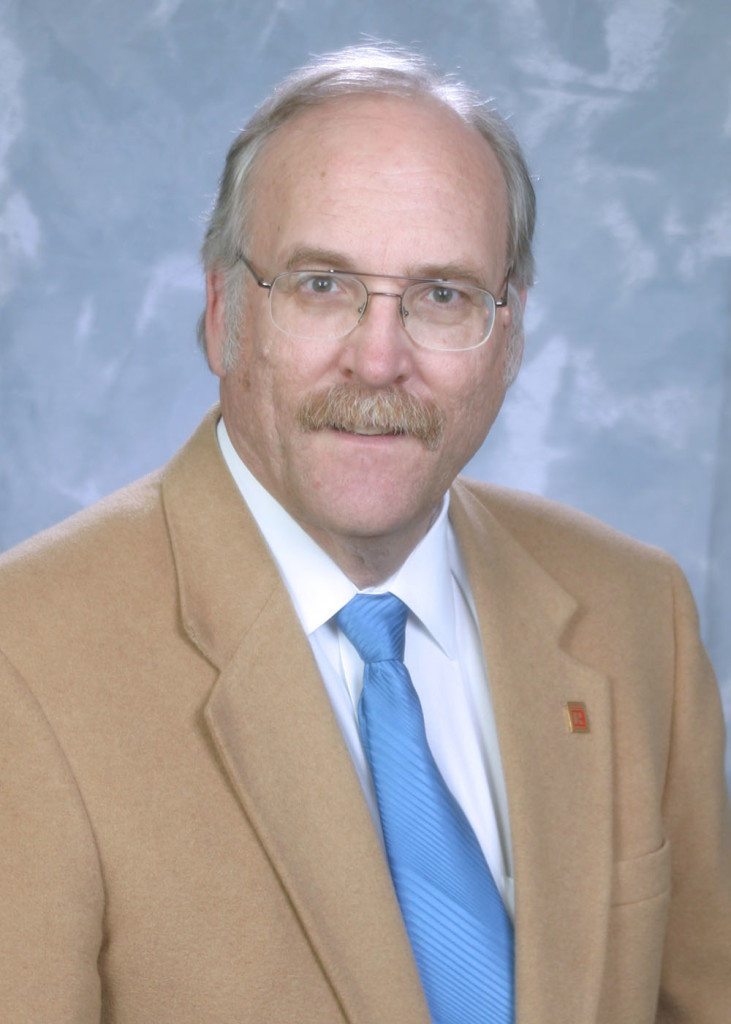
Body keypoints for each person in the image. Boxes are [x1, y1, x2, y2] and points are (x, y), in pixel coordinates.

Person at [1, 42, 729, 1024]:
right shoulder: (25, 659)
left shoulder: (634, 612)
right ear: (221, 312)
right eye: (320, 284)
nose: (379, 359)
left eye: (441, 295)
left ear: (508, 335)